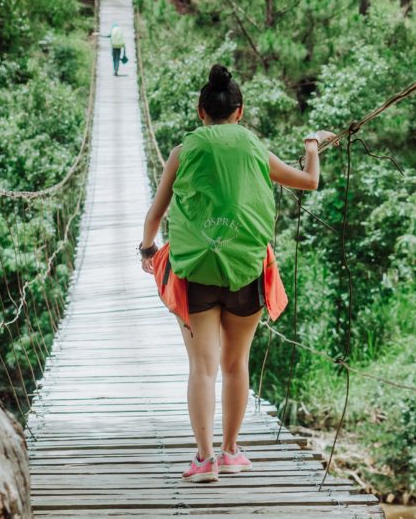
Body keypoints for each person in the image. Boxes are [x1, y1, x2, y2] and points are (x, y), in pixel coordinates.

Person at [139, 65, 335, 483]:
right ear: (239, 112)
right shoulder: (253, 148)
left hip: (195, 273)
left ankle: (204, 459)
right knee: (235, 363)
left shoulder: (183, 151)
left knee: (202, 368)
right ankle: (230, 451)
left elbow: (155, 214)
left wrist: (147, 249)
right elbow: (309, 182)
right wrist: (313, 144)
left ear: (200, 111)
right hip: (246, 270)